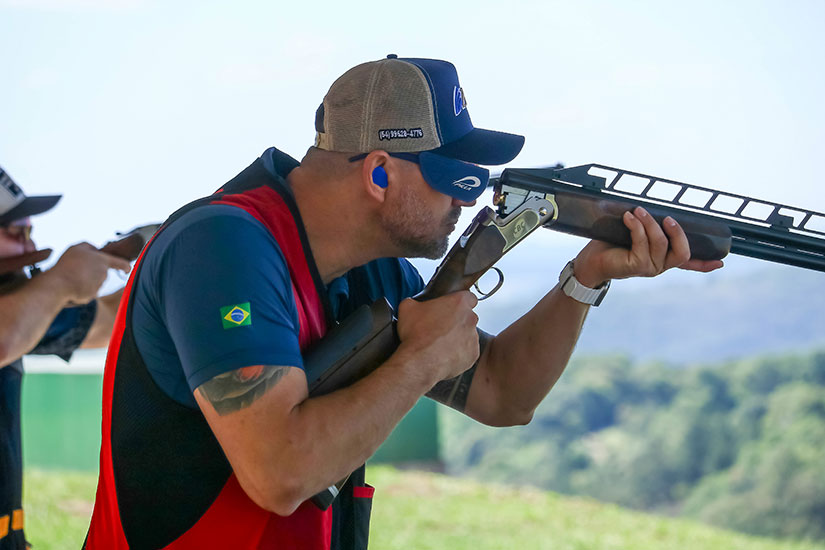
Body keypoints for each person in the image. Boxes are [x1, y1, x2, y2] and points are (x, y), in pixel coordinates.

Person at [85, 55, 723, 550]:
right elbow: (280, 473)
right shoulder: (222, 248)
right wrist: (419, 361)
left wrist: (586, 276)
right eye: (453, 176)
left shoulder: (371, 271)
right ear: (379, 172)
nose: (468, 199)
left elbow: (503, 395)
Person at [0, 166, 131, 550]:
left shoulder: (19, 309)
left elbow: (107, 322)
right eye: (15, 231)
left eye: (28, 229)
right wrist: (60, 281)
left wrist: (156, 258)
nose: (29, 245)